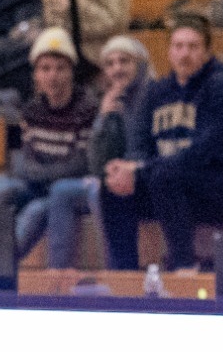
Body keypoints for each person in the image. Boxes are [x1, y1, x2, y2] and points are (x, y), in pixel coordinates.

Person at [100, 16, 223, 271]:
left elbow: (200, 153)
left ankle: (184, 266)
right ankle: (124, 273)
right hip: (177, 187)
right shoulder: (157, 92)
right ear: (168, 52)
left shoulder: (220, 87)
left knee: (163, 175)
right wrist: (127, 168)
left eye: (193, 46)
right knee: (112, 187)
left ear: (207, 52)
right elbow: (141, 147)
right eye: (178, 46)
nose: (184, 54)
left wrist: (142, 170)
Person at [33, 33, 151, 269]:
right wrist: (103, 119)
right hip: (111, 176)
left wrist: (128, 169)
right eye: (110, 63)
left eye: (124, 61)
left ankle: (115, 274)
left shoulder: (153, 96)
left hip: (146, 175)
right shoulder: (110, 100)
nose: (117, 69)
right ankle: (58, 276)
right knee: (62, 191)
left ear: (139, 64)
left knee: (102, 192)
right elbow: (96, 161)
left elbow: (151, 150)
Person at [0, 27, 98, 260]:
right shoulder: (32, 110)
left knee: (35, 210)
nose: (53, 76)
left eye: (60, 68)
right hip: (37, 186)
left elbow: (80, 165)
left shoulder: (87, 109)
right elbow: (26, 165)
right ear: (36, 75)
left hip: (68, 191)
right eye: (45, 68)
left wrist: (41, 173)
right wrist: (46, 172)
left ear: (72, 71)